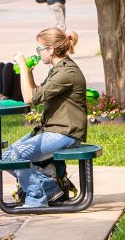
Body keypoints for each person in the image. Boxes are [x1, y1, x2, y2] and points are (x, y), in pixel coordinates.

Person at [5, 28, 87, 207]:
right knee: (6, 155)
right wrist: (28, 72)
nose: (37, 53)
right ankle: (50, 188)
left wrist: (23, 67)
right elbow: (36, 93)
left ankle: (37, 198)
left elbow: (29, 98)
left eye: (39, 49)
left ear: (51, 50)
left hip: (66, 133)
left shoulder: (67, 73)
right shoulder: (58, 69)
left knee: (16, 156)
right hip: (53, 130)